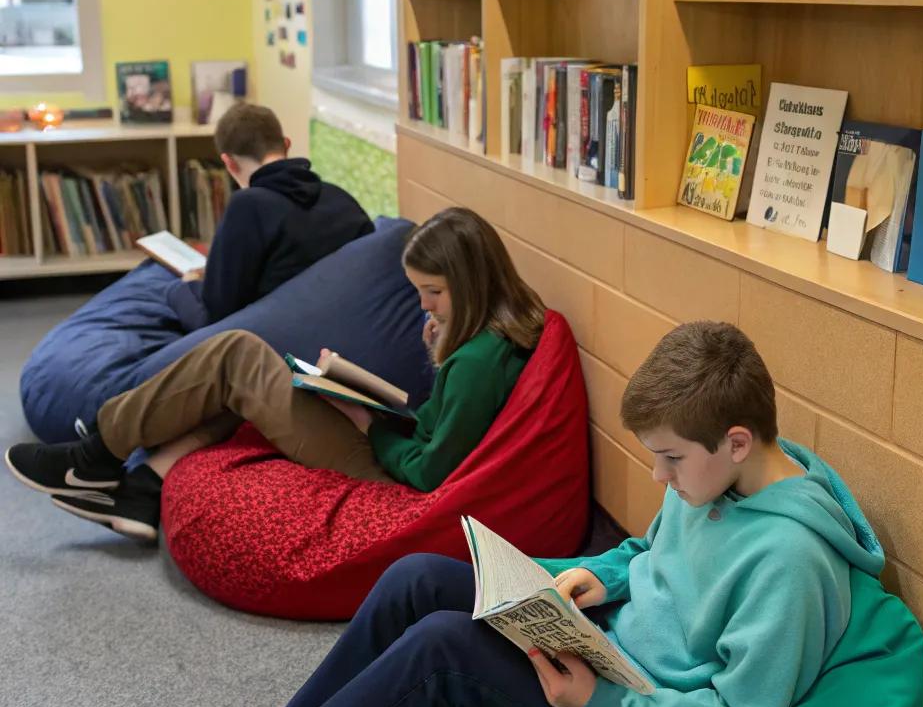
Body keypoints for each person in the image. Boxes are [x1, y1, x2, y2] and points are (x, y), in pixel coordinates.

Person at [68, 320, 885, 707]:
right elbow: (647, 551)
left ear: (739, 442)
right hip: (605, 659)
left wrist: (593, 702)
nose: (662, 480)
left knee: (443, 653)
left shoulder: (791, 565)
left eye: (671, 460)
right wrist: (590, 579)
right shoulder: (723, 482)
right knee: (416, 576)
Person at [5, 208, 545, 544]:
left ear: (471, 280)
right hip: (390, 446)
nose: (424, 307)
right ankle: (141, 489)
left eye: (434, 294)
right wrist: (375, 388)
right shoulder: (485, 337)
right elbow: (436, 422)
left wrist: (367, 422)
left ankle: (96, 454)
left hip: (388, 477)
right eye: (419, 293)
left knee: (235, 357)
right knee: (237, 373)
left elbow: (429, 473)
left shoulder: (478, 361)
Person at [167, 100, 374, 330]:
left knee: (169, 285)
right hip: (351, 325)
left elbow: (216, 318)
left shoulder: (248, 206)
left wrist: (182, 288)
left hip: (284, 339)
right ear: (286, 145)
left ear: (229, 163)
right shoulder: (340, 198)